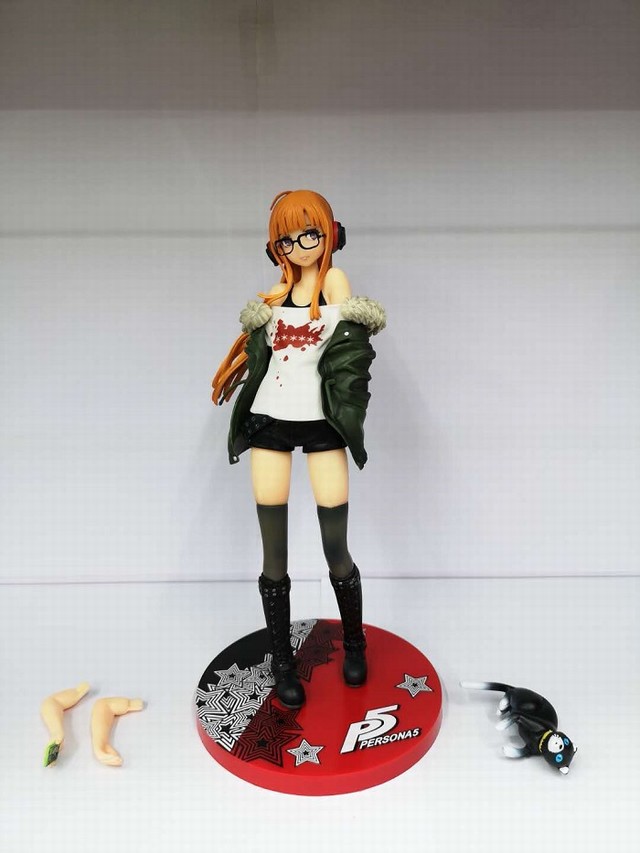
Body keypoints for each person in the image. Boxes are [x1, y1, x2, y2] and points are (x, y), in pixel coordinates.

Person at [212, 189, 385, 709]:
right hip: (270, 422)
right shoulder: (273, 294)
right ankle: (282, 662)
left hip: (322, 423)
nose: (298, 246)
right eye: (286, 238)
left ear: (329, 233)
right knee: (274, 555)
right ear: (276, 245)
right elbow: (259, 358)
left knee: (336, 545)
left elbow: (351, 349)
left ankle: (354, 643)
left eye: (309, 234)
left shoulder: (334, 282)